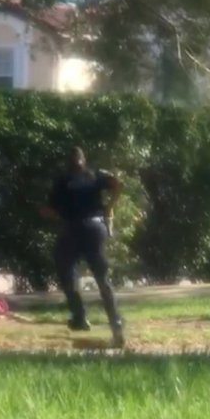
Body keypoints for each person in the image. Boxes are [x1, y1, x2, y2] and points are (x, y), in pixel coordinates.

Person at [42, 146, 126, 348]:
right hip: (96, 228)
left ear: (68, 162)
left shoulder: (62, 181)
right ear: (84, 159)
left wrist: (50, 214)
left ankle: (80, 316)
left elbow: (50, 211)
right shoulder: (95, 175)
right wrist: (109, 208)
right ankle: (116, 323)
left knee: (65, 269)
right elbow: (118, 185)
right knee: (102, 278)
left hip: (73, 229)